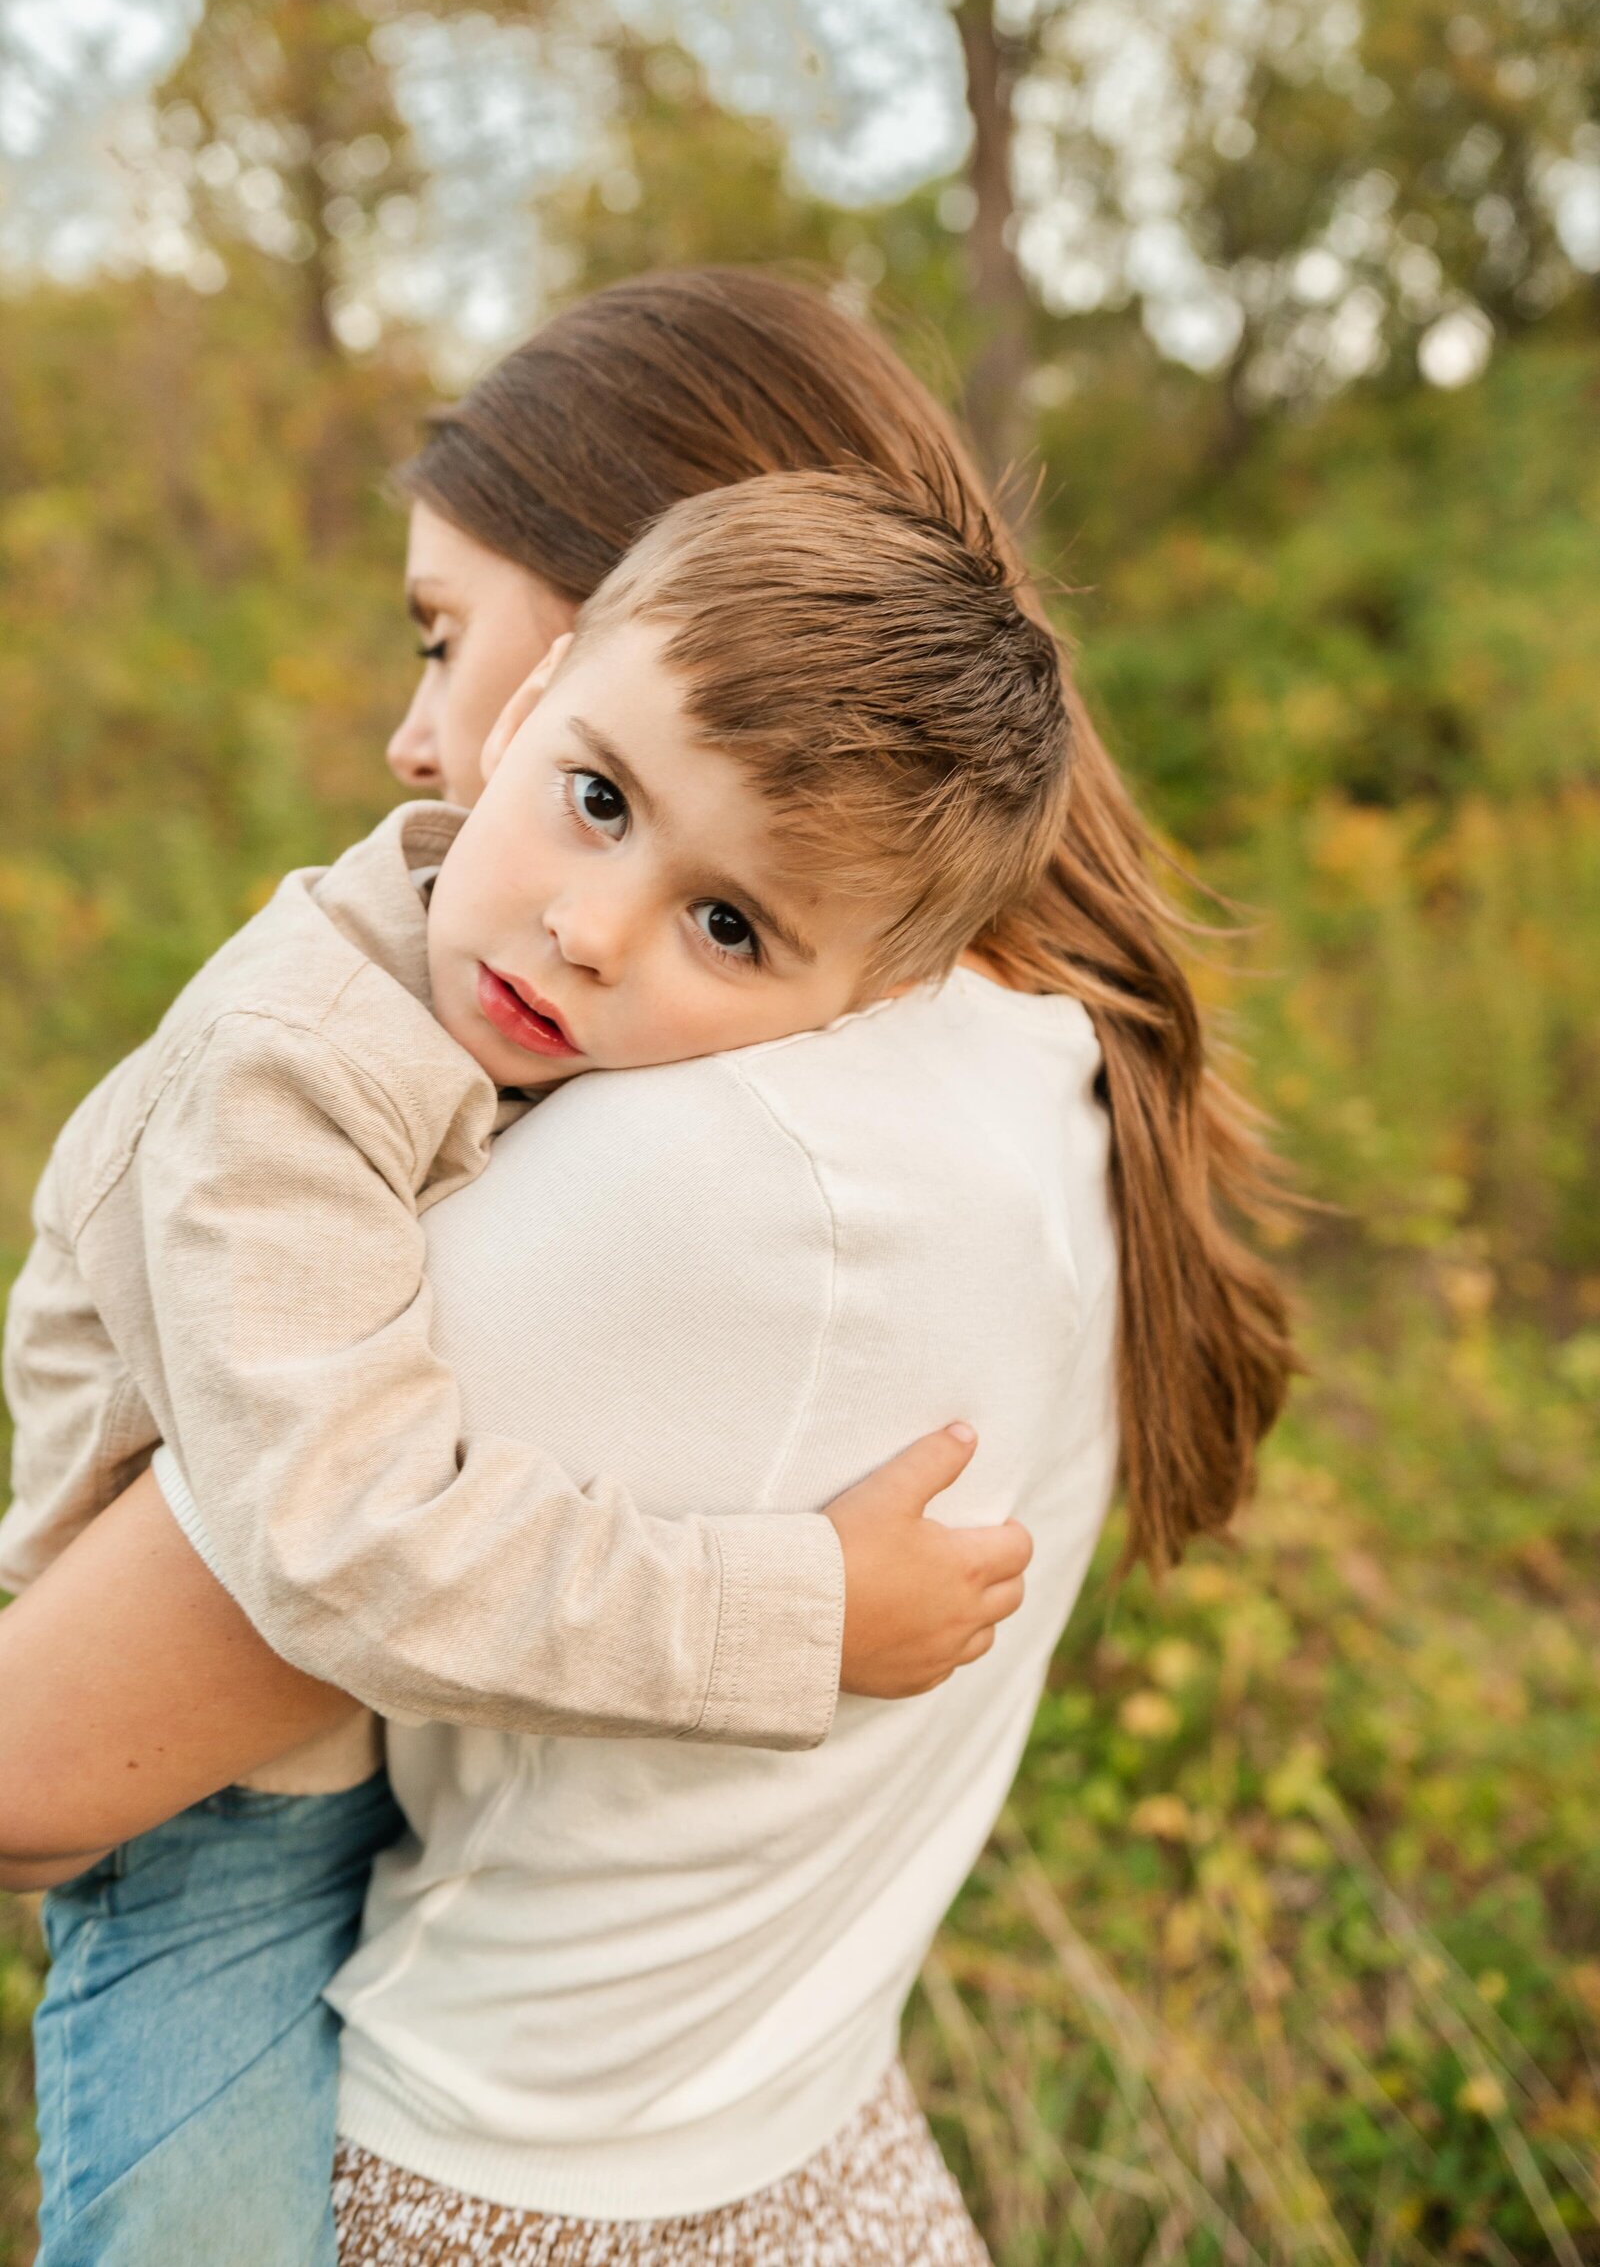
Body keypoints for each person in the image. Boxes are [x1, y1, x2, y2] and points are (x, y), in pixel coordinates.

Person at [0, 267, 1294, 2265]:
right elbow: (321, 1555)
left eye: (441, 635)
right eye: (583, 794)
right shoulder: (352, 1059)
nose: (413, 734)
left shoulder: (710, 1149)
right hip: (223, 1825)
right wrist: (793, 1611)